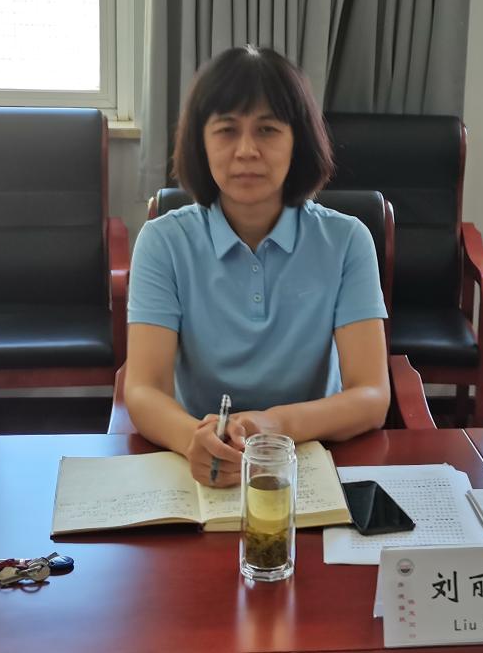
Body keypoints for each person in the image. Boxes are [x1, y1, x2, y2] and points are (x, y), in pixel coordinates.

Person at [125, 45, 389, 487]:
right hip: (197, 464)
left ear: (297, 141)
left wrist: (273, 425)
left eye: (267, 130)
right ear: (200, 143)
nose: (247, 150)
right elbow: (143, 389)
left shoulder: (347, 241)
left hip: (309, 460)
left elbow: (372, 394)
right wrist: (195, 440)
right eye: (226, 130)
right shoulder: (163, 241)